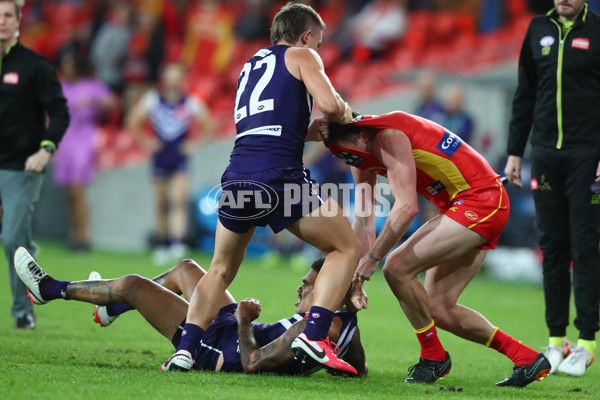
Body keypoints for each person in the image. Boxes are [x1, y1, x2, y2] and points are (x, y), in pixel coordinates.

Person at [162, 2, 361, 375]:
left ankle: (184, 352)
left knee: (219, 270)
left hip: (238, 172)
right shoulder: (303, 55)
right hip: (280, 175)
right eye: (317, 42)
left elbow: (264, 126)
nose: (316, 49)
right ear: (305, 36)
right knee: (345, 247)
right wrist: (344, 115)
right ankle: (315, 337)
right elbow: (333, 105)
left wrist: (308, 130)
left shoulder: (250, 65)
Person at [322, 111, 551, 387]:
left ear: (361, 134)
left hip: (480, 200)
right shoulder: (358, 156)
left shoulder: (389, 136)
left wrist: (372, 259)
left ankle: (433, 357)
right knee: (438, 308)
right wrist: (354, 275)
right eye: (340, 155)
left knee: (395, 267)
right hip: (463, 204)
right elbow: (363, 218)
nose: (348, 160)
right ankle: (526, 358)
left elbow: (406, 208)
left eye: (347, 152)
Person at [13, 247, 367, 376]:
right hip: (232, 328)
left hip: (220, 348)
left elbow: (252, 363)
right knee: (186, 269)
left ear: (325, 291)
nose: (300, 287)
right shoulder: (342, 324)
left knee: (134, 284)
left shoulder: (313, 329)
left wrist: (244, 320)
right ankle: (112, 309)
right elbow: (356, 370)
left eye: (308, 284)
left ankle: (49, 290)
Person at [504, 0, 600, 377]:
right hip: (544, 154)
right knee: (553, 248)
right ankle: (556, 340)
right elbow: (524, 93)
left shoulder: (597, 31)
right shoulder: (536, 30)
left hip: (586, 156)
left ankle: (587, 343)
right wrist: (515, 151)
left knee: (585, 245)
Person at [0, 0, 70, 330]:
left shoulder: (34, 65)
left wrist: (46, 149)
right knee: (18, 238)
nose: (1, 21)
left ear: (18, 20)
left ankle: (21, 311)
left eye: (7, 15)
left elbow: (59, 112)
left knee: (12, 236)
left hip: (20, 167)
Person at [127, 62, 215, 265]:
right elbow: (133, 121)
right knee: (161, 203)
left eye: (176, 76)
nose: (172, 81)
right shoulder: (153, 100)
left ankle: (177, 243)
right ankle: (162, 243)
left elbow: (209, 126)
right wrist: (146, 141)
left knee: (178, 200)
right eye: (169, 76)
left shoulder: (190, 102)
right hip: (160, 155)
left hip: (179, 156)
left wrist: (193, 145)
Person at [53, 50, 116, 252]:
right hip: (66, 138)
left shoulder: (93, 86)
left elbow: (113, 103)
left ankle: (84, 237)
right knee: (68, 192)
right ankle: (74, 235)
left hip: (84, 137)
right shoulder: (62, 86)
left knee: (78, 190)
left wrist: (95, 102)